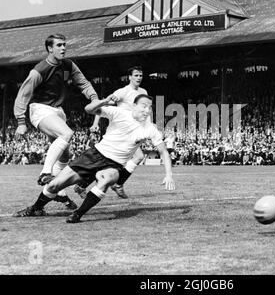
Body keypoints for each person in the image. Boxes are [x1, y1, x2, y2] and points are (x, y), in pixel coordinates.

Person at [13, 94, 176, 223]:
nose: (147, 110)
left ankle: (78, 214)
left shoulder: (150, 129)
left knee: (106, 179)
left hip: (114, 164)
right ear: (134, 106)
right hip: (94, 155)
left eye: (149, 108)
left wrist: (168, 174)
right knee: (55, 185)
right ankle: (36, 208)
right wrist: (103, 101)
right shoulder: (119, 113)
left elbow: (163, 152)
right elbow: (89, 109)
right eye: (143, 106)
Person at [13, 34, 99, 209]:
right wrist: (21, 121)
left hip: (58, 111)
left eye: (64, 45)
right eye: (59, 45)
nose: (63, 48)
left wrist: (93, 97)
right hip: (40, 110)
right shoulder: (39, 70)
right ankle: (45, 173)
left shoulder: (69, 65)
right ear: (49, 48)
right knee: (67, 133)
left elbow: (83, 83)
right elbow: (23, 94)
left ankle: (58, 192)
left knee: (66, 155)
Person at [74, 66, 149, 199]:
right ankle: (115, 184)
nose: (138, 78)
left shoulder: (143, 92)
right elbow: (104, 105)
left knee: (129, 159)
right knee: (114, 161)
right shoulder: (123, 92)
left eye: (140, 75)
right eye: (136, 75)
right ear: (130, 77)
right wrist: (95, 123)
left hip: (133, 131)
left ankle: (88, 185)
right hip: (119, 132)